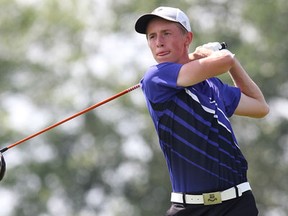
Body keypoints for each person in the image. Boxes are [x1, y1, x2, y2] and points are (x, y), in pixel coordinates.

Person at [134, 6, 269, 216]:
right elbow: (222, 61)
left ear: (188, 38)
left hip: (237, 204)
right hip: (188, 209)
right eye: (152, 36)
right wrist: (216, 56)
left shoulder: (213, 86)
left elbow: (260, 106)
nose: (158, 42)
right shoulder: (156, 78)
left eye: (166, 33)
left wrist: (231, 63)